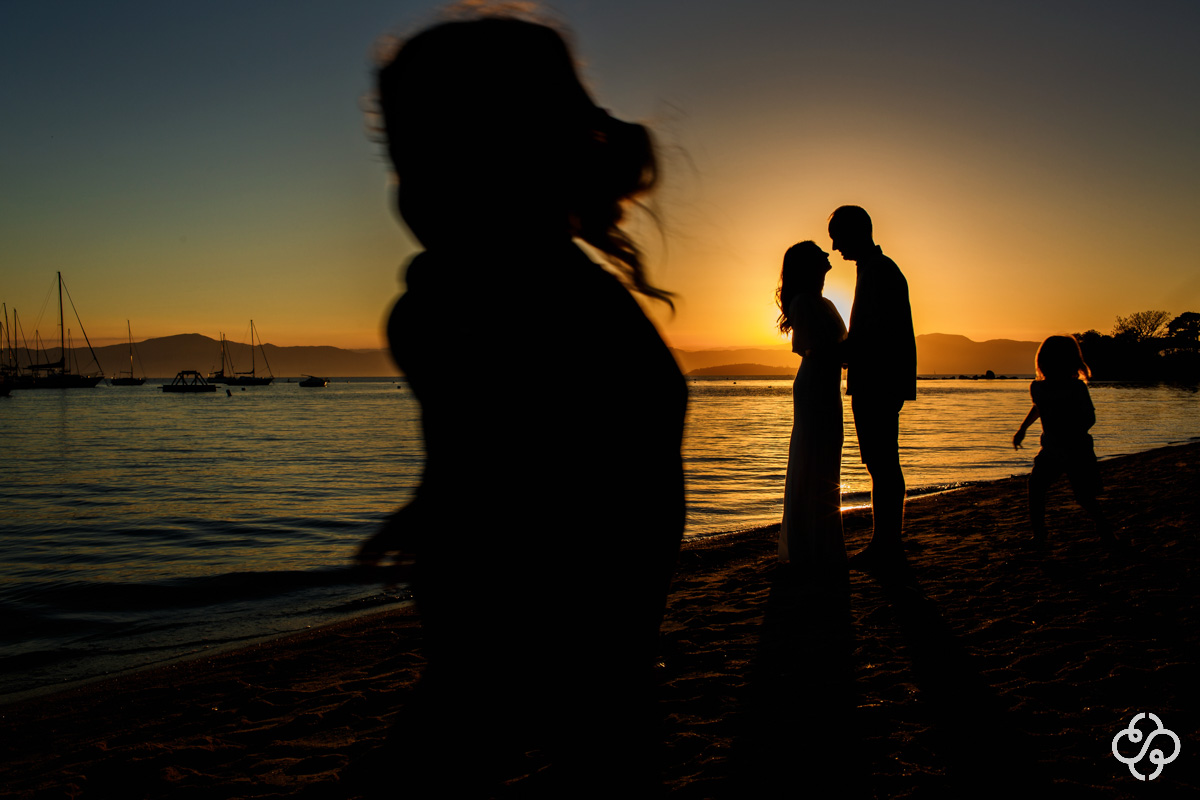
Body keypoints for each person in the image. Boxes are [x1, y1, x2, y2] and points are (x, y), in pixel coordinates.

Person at [354, 11, 687, 795]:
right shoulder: (466, 293)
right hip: (516, 624)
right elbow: (475, 433)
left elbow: (626, 474)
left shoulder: (556, 309)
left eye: (435, 157)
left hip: (562, 623)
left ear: (523, 158)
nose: (409, 191)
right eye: (400, 162)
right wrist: (434, 497)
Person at [828, 206, 916, 569]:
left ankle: (887, 545)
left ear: (857, 232)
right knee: (881, 463)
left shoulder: (879, 271)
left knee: (882, 464)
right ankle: (887, 543)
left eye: (837, 237)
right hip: (881, 380)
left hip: (877, 382)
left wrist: (825, 354)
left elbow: (870, 336)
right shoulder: (876, 269)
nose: (834, 247)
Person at [776, 242, 848, 578]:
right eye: (819, 251)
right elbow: (815, 349)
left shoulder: (825, 302)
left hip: (827, 388)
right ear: (808, 265)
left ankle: (824, 544)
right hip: (814, 388)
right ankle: (810, 547)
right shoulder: (804, 302)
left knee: (825, 459)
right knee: (812, 460)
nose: (827, 253)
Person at [1012, 335, 1115, 545]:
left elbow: (1089, 418)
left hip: (1075, 449)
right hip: (1051, 449)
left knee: (1083, 496)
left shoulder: (1076, 388)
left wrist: (1068, 434)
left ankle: (1104, 529)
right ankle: (1040, 534)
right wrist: (1023, 428)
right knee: (1036, 487)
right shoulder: (1038, 387)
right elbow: (1039, 407)